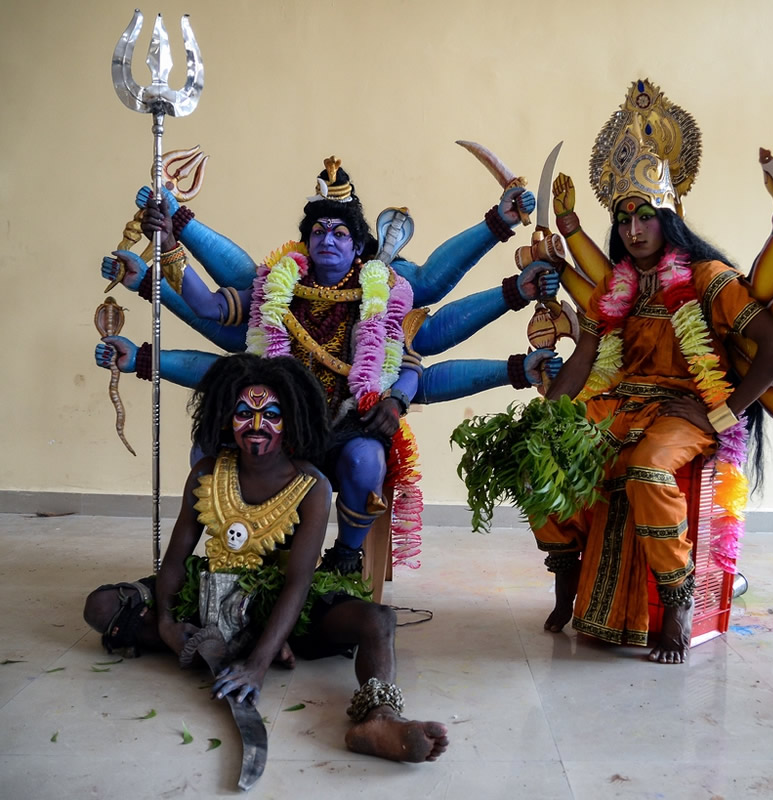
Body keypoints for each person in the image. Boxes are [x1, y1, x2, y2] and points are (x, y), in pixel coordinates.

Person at [96, 157, 560, 573]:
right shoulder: (275, 286)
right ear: (305, 242)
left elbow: (413, 360)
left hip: (345, 426)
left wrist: (396, 401)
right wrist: (170, 243)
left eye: (340, 233)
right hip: (274, 423)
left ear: (358, 246)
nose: (328, 240)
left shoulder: (382, 292)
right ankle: (228, 549)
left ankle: (344, 556)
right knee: (207, 451)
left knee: (366, 459)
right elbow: (208, 306)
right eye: (318, 232)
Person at [531, 80, 773, 665]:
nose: (632, 229)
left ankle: (676, 602)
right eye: (623, 219)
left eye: (644, 216)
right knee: (538, 462)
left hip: (687, 410)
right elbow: (583, 356)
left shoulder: (708, 278)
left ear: (668, 217)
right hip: (622, 404)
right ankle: (565, 580)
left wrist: (725, 410)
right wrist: (547, 414)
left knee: (649, 472)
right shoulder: (617, 285)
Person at [83, 353, 449, 762]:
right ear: (225, 417)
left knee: (379, 620)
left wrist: (257, 665)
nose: (256, 426)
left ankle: (379, 719)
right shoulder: (207, 471)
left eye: (271, 413)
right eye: (243, 413)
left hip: (284, 612)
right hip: (209, 597)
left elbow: (297, 583)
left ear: (292, 419)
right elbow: (175, 560)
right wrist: (168, 623)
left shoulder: (312, 485)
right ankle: (211, 645)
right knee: (101, 605)